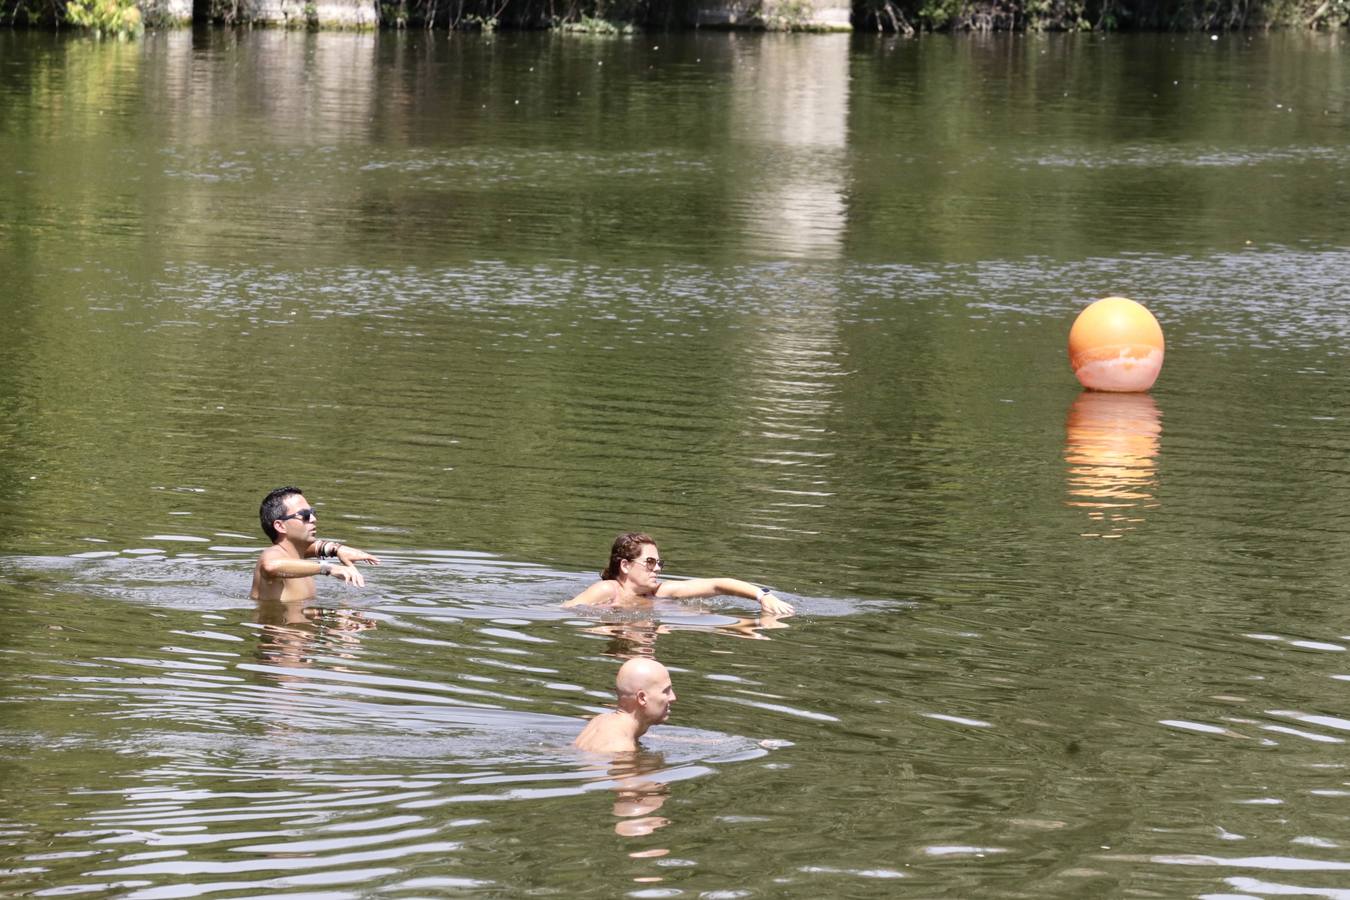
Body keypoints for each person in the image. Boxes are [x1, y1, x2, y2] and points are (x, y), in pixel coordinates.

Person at [563, 532, 794, 617]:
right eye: (650, 562)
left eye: (659, 563)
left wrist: (763, 595)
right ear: (625, 565)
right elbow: (567, 610)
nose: (658, 569)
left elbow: (717, 586)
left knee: (707, 616)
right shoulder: (608, 590)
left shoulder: (657, 592)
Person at [249, 486, 382, 602]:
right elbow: (270, 566)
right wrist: (329, 568)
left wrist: (335, 549)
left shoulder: (294, 556)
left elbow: (299, 552)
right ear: (280, 526)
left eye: (313, 513)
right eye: (305, 515)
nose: (313, 519)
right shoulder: (272, 554)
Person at [574, 657, 678, 753]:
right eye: (666, 691)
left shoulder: (600, 720)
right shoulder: (621, 748)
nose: (673, 697)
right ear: (642, 698)